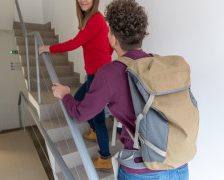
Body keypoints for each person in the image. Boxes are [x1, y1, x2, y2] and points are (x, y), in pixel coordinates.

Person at [51, 0, 190, 179]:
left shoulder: (109, 73)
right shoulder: (156, 63)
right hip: (178, 164)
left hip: (143, 171)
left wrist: (65, 94)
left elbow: (81, 113)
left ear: (113, 39)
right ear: (141, 36)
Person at [39, 0, 113, 169]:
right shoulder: (92, 19)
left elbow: (74, 43)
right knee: (78, 100)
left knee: (99, 117)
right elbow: (109, 47)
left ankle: (105, 158)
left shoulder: (95, 19)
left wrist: (49, 48)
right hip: (95, 74)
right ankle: (94, 131)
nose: (83, 0)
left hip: (97, 75)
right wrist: (103, 59)